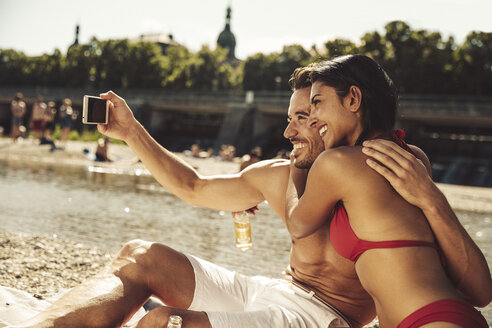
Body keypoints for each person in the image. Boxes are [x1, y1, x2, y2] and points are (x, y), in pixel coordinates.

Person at [15, 67, 490, 328]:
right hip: (269, 291)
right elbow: (194, 187)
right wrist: (130, 131)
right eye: (293, 117)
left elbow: (458, 280)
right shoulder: (276, 174)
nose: (291, 129)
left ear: (345, 108)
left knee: (165, 325)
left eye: (307, 115)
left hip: (323, 319)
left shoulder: (387, 173)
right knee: (142, 255)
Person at [284, 55, 490, 327]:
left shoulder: (337, 163)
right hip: (449, 316)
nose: (313, 119)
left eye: (317, 103)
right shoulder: (412, 158)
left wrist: (296, 162)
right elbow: (482, 294)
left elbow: (297, 224)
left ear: (353, 99)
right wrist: (432, 199)